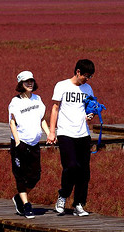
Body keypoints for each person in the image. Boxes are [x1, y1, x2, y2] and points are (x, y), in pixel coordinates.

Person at [47, 59, 95, 217]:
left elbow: (90, 107)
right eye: (86, 76)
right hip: (65, 133)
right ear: (78, 72)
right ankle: (63, 195)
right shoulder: (61, 85)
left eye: (90, 77)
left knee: (84, 171)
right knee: (71, 166)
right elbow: (55, 109)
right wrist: (51, 132)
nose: (87, 79)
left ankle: (79, 205)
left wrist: (91, 114)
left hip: (83, 134)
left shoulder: (88, 89)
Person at [9, 71, 51, 219]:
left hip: (34, 144)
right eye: (26, 81)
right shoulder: (15, 102)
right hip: (20, 144)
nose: (30, 84)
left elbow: (42, 120)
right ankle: (26, 205)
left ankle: (18, 198)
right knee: (20, 176)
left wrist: (50, 133)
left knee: (35, 176)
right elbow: (12, 122)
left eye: (31, 81)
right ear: (21, 84)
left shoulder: (38, 99)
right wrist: (18, 141)